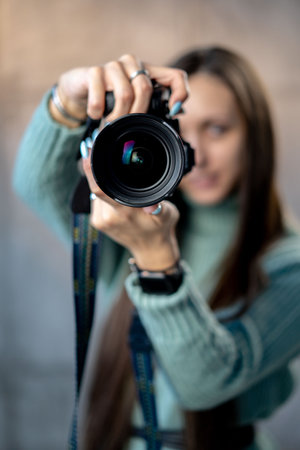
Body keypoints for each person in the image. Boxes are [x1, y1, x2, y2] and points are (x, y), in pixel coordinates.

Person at [13, 48, 300, 450]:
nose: (195, 153)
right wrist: (67, 100)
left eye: (217, 128)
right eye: (177, 129)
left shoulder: (290, 265)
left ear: (255, 137)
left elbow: (205, 384)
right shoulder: (134, 228)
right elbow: (37, 184)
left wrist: (156, 260)